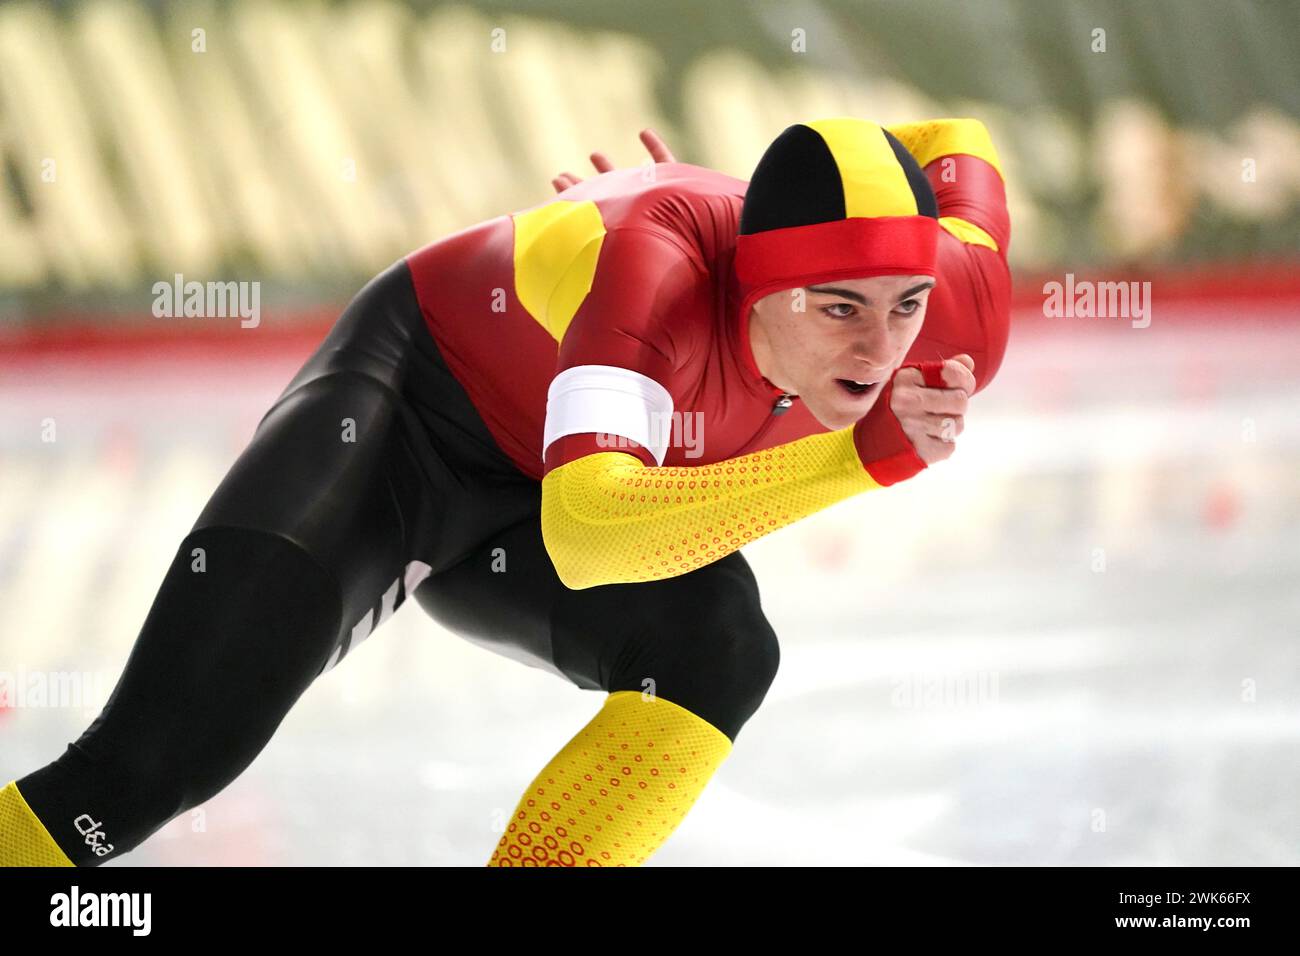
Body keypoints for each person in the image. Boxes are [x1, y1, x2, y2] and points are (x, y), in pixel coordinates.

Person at [0, 115, 1010, 867]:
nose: (881, 350)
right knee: (140, 775)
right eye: (838, 307)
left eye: (905, 304)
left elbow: (954, 138)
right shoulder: (649, 267)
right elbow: (586, 534)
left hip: (551, 491)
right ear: (755, 278)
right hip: (411, 425)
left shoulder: (950, 309)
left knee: (721, 647)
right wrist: (853, 457)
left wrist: (771, 190)